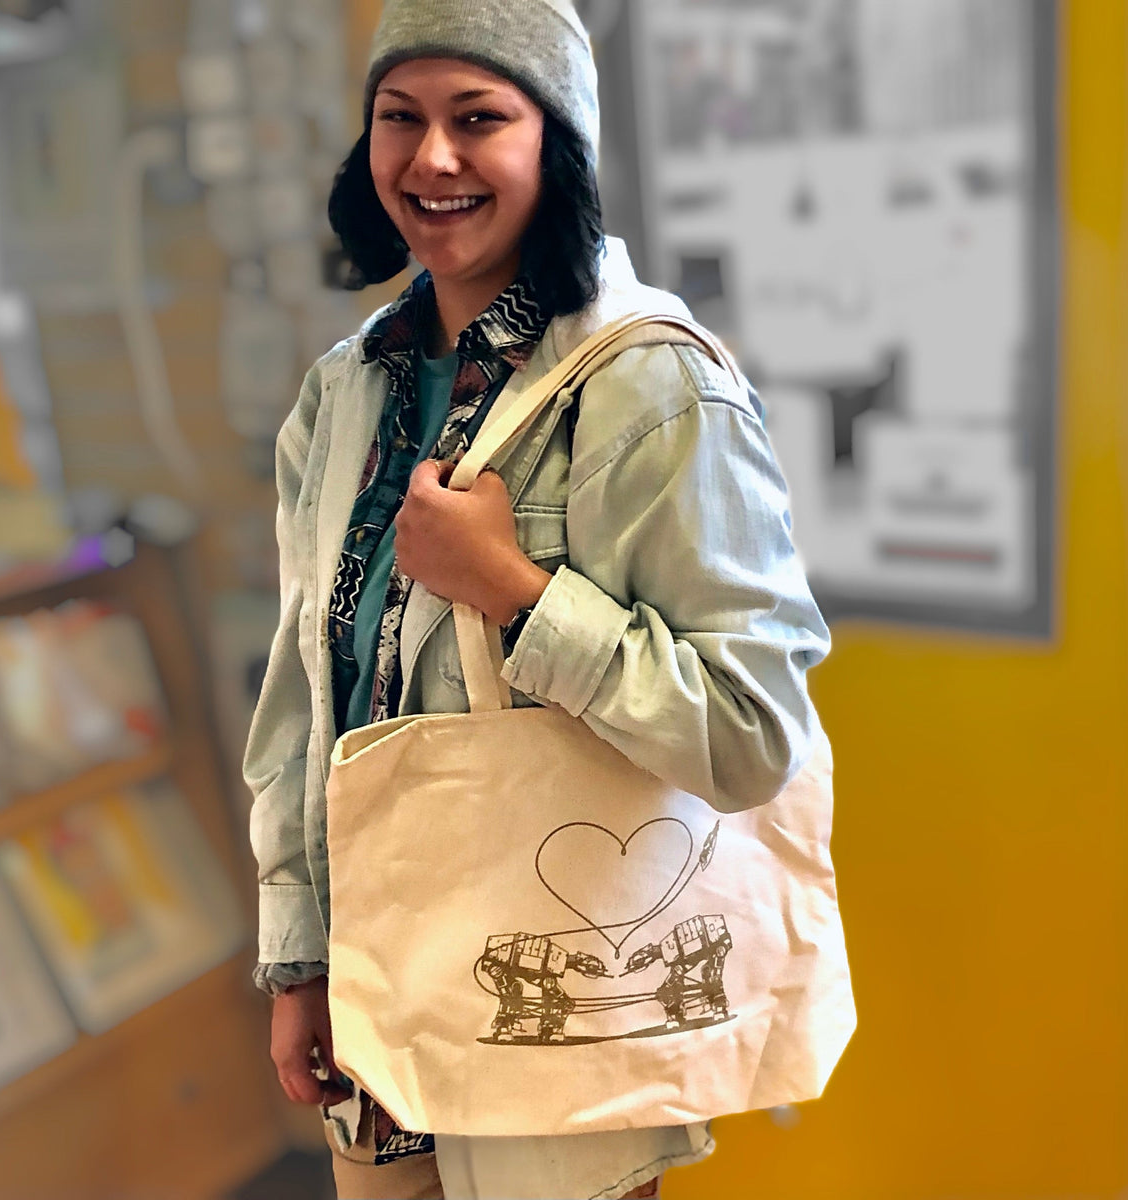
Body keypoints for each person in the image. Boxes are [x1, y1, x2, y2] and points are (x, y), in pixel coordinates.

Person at [243, 1, 831, 1197]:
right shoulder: (345, 391)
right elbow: (307, 696)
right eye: (399, 120)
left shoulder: (652, 383)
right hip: (381, 993)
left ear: (556, 143)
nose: (432, 158)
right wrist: (297, 956)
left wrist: (515, 591)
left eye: (479, 118)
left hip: (556, 1004)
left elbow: (749, 732)